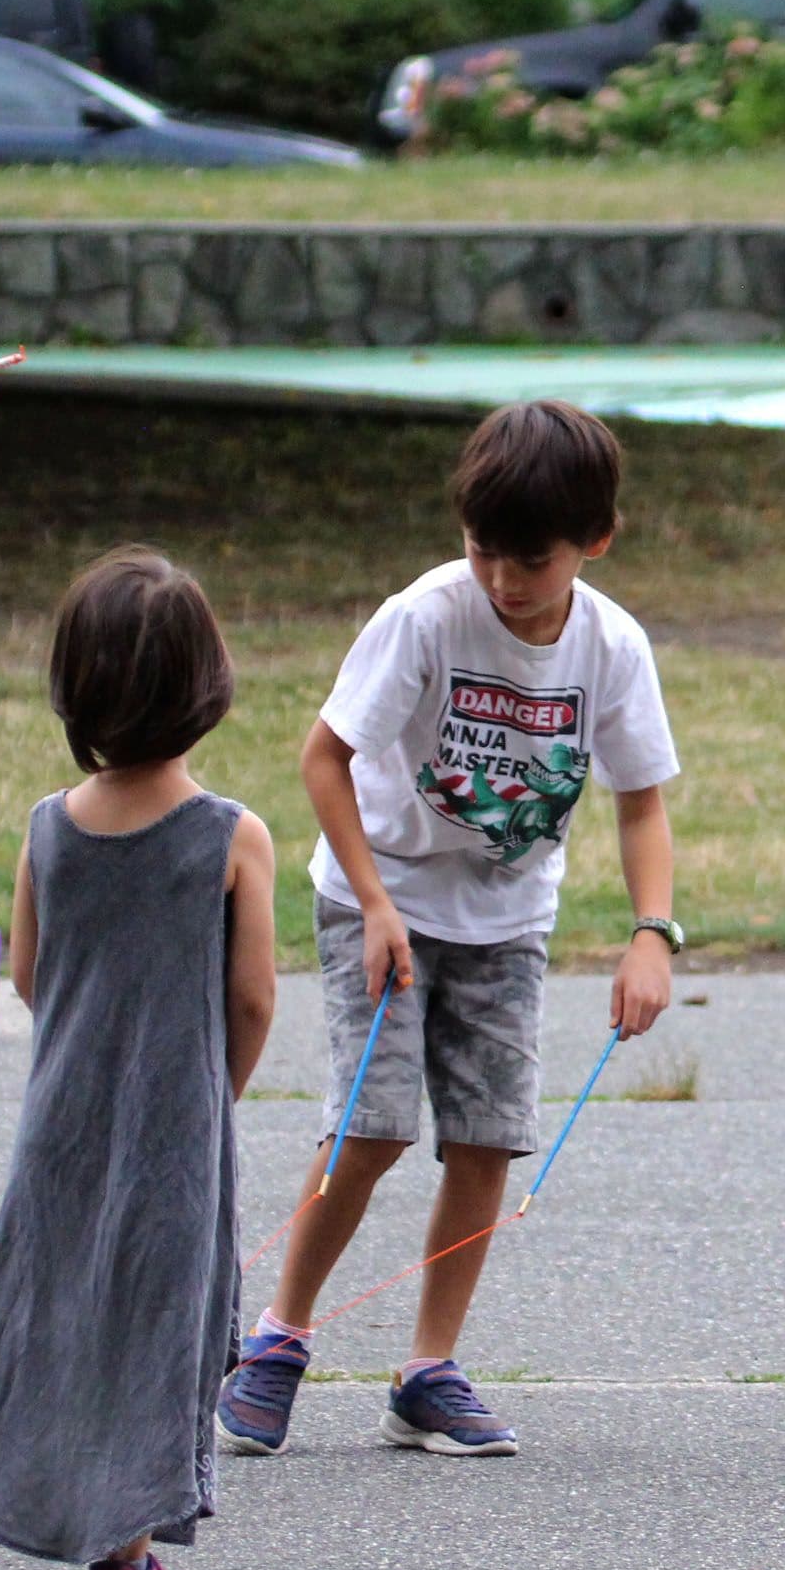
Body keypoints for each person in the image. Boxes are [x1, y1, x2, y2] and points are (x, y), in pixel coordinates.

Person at [221, 400, 682, 1460]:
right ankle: (277, 1337)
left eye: (531, 559)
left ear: (594, 543)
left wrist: (652, 931)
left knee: (484, 1138)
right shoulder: (428, 616)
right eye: (484, 552)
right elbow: (323, 758)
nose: (504, 581)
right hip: (377, 898)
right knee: (373, 1124)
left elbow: (642, 797)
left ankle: (427, 1370)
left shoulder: (611, 646)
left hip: (506, 920)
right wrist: (378, 906)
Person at [0, 547, 278, 1570]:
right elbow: (256, 999)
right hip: (175, 1127)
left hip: (60, 1120)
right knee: (154, 1327)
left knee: (25, 1315)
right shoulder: (233, 837)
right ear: (206, 687)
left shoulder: (50, 826)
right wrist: (210, 1093)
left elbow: (32, 974)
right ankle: (124, 1567)